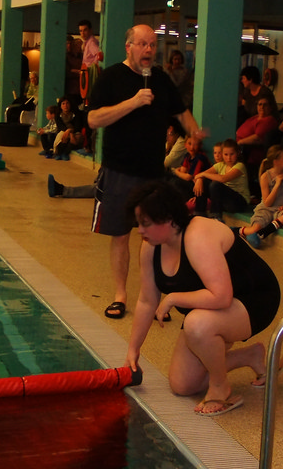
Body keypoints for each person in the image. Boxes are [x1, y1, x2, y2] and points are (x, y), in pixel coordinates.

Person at [124, 180, 282, 417]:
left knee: (197, 325)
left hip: (255, 299)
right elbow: (147, 300)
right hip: (211, 307)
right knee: (183, 385)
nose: (140, 230)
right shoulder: (151, 246)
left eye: (145, 223)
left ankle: (220, 387)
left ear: (168, 219)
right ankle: (250, 356)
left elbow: (221, 297)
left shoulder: (197, 236)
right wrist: (133, 349)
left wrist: (173, 298)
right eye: (139, 223)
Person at [87, 24, 205, 320]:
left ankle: (151, 298)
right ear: (128, 47)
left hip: (153, 173)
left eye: (153, 44)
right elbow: (93, 119)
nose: (149, 50)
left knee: (156, 237)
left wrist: (193, 130)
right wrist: (133, 102)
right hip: (119, 170)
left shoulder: (161, 79)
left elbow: (180, 111)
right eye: (143, 44)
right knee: (120, 235)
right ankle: (120, 295)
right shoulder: (111, 77)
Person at [240, 145, 283, 249]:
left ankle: (265, 232)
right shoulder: (265, 176)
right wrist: (277, 184)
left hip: (281, 210)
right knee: (255, 228)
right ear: (276, 161)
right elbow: (267, 203)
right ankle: (239, 230)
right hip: (266, 208)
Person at [192, 139, 248, 218]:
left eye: (232, 154)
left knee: (215, 185)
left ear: (238, 153)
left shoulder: (240, 166)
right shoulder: (220, 165)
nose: (229, 158)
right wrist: (199, 180)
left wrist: (203, 174)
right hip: (225, 202)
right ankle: (199, 214)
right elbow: (197, 176)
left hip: (239, 203)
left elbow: (223, 179)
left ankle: (215, 216)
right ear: (222, 154)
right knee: (204, 183)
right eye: (226, 154)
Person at [167, 134, 212, 200]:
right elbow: (183, 171)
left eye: (195, 144)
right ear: (185, 145)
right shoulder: (187, 155)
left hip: (200, 185)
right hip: (192, 181)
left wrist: (176, 171)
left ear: (200, 145)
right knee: (167, 176)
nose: (192, 147)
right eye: (189, 144)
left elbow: (188, 177)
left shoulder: (200, 157)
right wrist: (182, 173)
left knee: (176, 182)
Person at [52, 96, 86, 160]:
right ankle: (58, 153)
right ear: (60, 106)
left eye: (67, 103)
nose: (65, 105)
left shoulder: (76, 114)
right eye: (63, 104)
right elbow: (60, 126)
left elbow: (77, 126)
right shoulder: (58, 115)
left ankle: (65, 153)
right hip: (64, 132)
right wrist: (68, 132)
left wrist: (70, 131)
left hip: (75, 132)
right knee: (63, 137)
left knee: (75, 139)